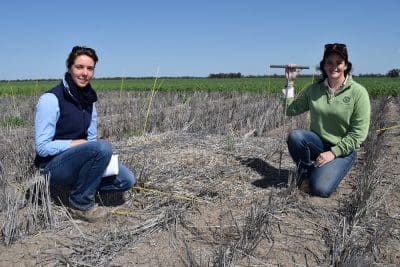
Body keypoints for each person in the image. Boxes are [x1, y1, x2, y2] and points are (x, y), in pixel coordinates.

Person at [34, 46, 136, 221]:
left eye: (90, 68)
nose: (84, 73)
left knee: (127, 179)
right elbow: (42, 148)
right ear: (69, 68)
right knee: (102, 148)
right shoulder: (50, 99)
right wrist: (75, 144)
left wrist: (92, 151)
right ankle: (80, 203)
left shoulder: (89, 100)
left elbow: (91, 140)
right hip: (52, 167)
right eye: (79, 67)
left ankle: (78, 187)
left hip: (77, 161)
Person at [282, 43, 370, 197]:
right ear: (323, 65)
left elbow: (358, 134)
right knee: (295, 137)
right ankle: (306, 174)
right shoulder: (314, 90)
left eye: (339, 62)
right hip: (317, 143)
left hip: (343, 150)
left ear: (346, 65)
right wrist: (290, 82)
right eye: (329, 62)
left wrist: (333, 153)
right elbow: (289, 110)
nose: (334, 66)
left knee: (320, 189)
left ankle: (328, 168)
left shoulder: (358, 92)